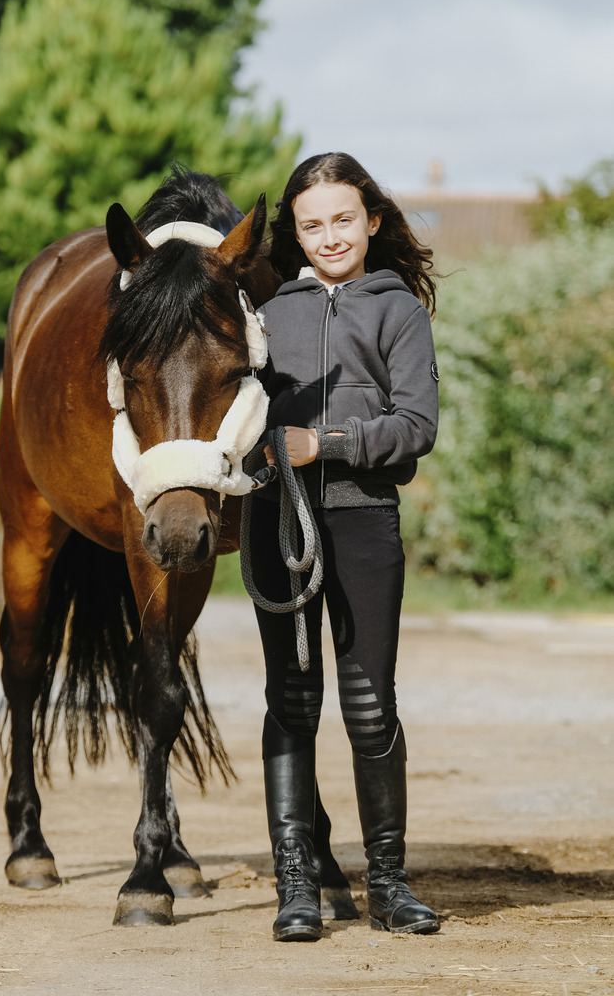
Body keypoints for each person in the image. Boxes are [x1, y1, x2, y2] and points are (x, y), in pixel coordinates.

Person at [247, 152, 440, 942]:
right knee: (290, 703)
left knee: (368, 707)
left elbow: (415, 427)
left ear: (371, 222)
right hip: (276, 523)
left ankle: (388, 884)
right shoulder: (266, 314)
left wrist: (321, 442)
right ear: (293, 234)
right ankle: (297, 886)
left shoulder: (399, 311)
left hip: (364, 520)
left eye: (341, 219)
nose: (328, 236)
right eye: (310, 223)